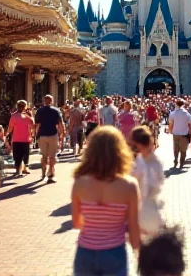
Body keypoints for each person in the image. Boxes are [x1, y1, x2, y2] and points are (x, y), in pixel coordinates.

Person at [71, 126, 140, 276]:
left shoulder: (80, 183)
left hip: (85, 252)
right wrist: (138, 253)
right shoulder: (129, 186)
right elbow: (134, 227)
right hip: (115, 252)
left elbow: (77, 223)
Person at [131, 125, 165, 237]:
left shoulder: (154, 162)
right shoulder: (138, 162)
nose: (152, 146)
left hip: (150, 211)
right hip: (144, 212)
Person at [34, 94, 66, 183]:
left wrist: (36, 135)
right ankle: (51, 174)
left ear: (44, 101)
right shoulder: (56, 110)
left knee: (44, 156)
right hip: (53, 134)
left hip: (42, 135)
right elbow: (60, 123)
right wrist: (62, 133)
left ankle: (43, 173)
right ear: (51, 101)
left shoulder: (39, 111)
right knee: (52, 156)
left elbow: (37, 125)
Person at [6, 100, 35, 177]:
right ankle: (23, 169)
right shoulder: (27, 116)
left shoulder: (14, 116)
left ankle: (19, 171)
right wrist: (31, 116)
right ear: (25, 107)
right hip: (25, 139)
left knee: (17, 155)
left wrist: (7, 134)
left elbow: (10, 128)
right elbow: (33, 126)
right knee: (25, 154)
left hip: (17, 139)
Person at [167, 99, 191, 169]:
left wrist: (169, 130)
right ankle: (182, 162)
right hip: (184, 134)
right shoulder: (187, 114)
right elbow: (190, 124)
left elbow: (171, 124)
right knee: (183, 150)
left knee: (176, 148)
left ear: (176, 104)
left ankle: (176, 158)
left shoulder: (172, 113)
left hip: (175, 133)